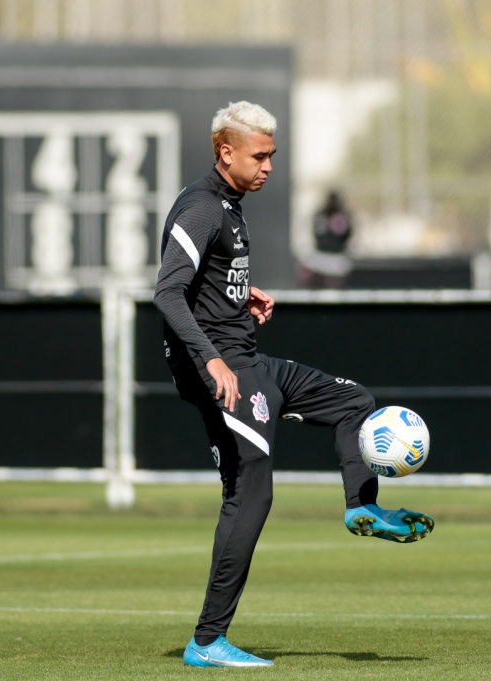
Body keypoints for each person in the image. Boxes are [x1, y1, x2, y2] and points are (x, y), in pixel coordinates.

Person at [152, 101, 434, 669]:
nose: (268, 167)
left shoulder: (232, 206)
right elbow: (167, 291)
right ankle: (207, 641)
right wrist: (211, 361)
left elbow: (207, 284)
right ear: (225, 152)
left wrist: (240, 296)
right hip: (222, 374)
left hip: (249, 361)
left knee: (354, 401)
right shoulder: (201, 207)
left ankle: (363, 507)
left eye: (272, 156)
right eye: (259, 156)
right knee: (251, 492)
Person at [297, 190, 354, 288]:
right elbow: (317, 234)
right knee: (305, 271)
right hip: (321, 255)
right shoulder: (321, 216)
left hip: (337, 257)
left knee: (334, 281)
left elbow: (347, 235)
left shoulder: (342, 217)